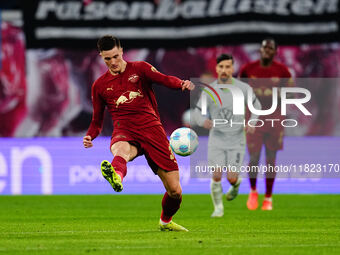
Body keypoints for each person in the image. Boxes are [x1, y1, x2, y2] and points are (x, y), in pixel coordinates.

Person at [83, 35, 194, 231]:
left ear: (122, 51)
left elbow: (164, 79)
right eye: (107, 59)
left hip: (152, 130)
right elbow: (96, 121)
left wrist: (180, 84)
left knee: (175, 191)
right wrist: (90, 135)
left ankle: (165, 221)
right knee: (121, 151)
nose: (113, 62)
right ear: (101, 56)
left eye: (115, 56)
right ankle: (116, 175)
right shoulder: (99, 85)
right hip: (124, 129)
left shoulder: (140, 69)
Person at [194, 54, 260, 217]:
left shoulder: (243, 89)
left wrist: (252, 122)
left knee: (231, 178)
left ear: (233, 68)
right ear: (216, 69)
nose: (224, 70)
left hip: (236, 140)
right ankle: (218, 209)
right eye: (221, 67)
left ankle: (235, 185)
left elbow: (256, 105)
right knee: (216, 175)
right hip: (216, 139)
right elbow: (197, 112)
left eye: (227, 67)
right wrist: (203, 121)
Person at [239, 38, 293, 210]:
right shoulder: (248, 69)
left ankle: (268, 198)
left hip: (275, 119)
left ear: (275, 52)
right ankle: (253, 191)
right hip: (254, 119)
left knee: (271, 159)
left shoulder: (282, 71)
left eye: (270, 48)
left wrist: (276, 95)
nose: (266, 51)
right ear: (260, 50)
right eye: (264, 47)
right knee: (254, 158)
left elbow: (290, 94)